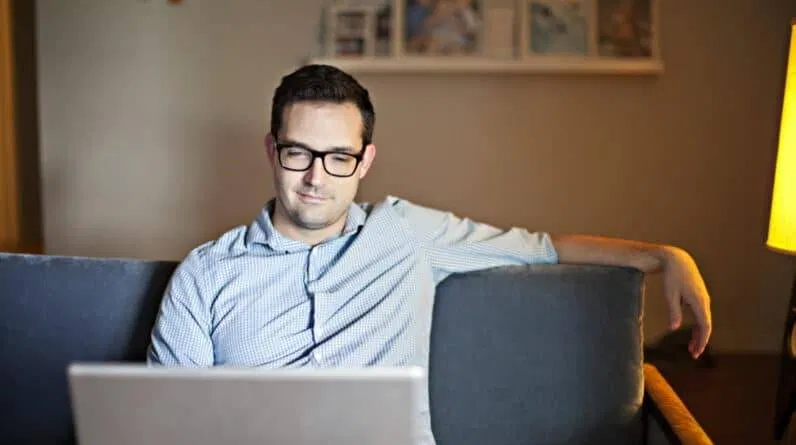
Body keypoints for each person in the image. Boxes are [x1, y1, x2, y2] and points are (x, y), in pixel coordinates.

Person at [147, 64, 712, 444]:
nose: (317, 177)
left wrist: (663, 254)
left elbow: (540, 248)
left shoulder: (405, 232)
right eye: (299, 153)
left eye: (339, 157)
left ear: (365, 161)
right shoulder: (207, 273)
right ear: (272, 150)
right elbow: (166, 427)